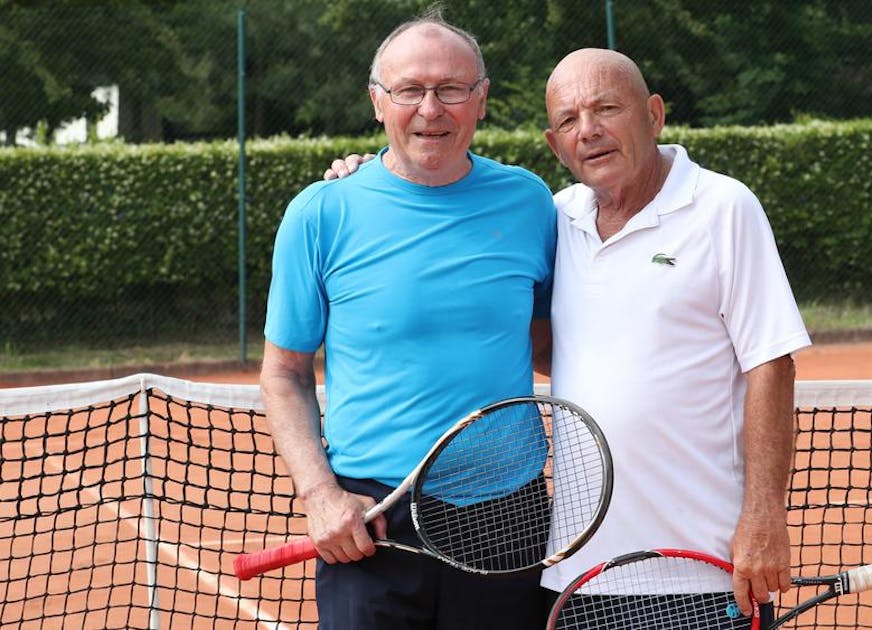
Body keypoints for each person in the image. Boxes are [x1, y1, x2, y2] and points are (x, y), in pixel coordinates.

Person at [327, 48, 811, 625]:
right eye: (568, 120)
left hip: (702, 567)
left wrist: (763, 518)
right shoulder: (554, 218)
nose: (589, 131)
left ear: (653, 115)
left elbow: (771, 365)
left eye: (607, 108)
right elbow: (528, 331)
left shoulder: (724, 208)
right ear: (554, 144)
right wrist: (367, 175)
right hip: (574, 575)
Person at [263, 10, 556, 630]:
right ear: (378, 102)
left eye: (452, 88)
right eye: (409, 90)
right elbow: (284, 374)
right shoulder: (320, 213)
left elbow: (553, 341)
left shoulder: (533, 203)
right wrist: (320, 496)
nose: (431, 108)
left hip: (506, 516)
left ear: (481, 100)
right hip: (368, 516)